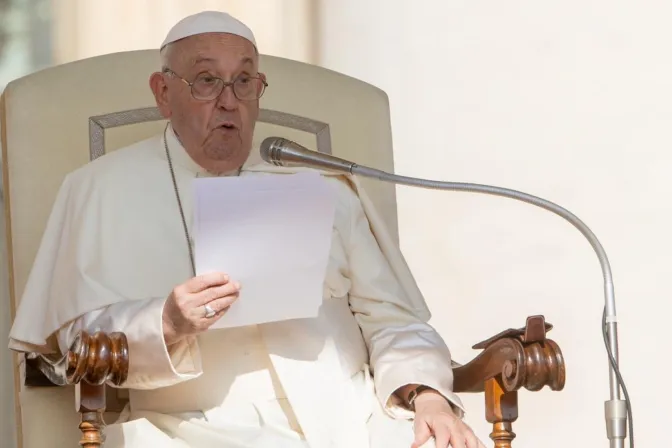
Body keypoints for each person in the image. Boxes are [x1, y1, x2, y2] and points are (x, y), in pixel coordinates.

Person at [8, 10, 485, 448]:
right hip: (190, 428)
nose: (229, 101)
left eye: (244, 81)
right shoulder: (98, 189)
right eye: (206, 80)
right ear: (163, 93)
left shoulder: (319, 184)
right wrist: (167, 322)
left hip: (348, 417)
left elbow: (394, 319)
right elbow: (78, 346)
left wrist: (426, 393)